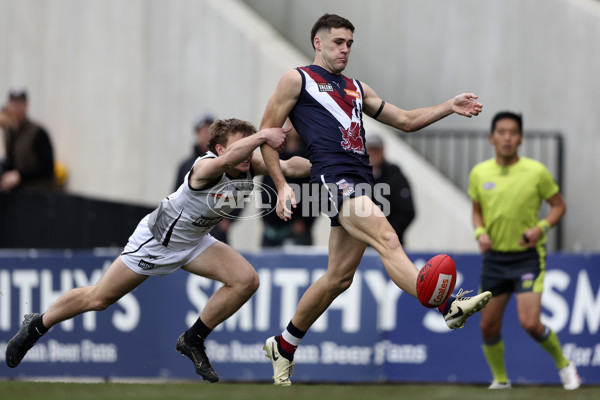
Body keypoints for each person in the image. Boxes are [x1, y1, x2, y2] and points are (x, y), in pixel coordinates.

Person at [259, 13, 492, 386]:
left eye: (350, 43)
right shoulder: (296, 79)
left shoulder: (356, 87)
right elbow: (267, 135)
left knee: (338, 279)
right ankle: (448, 307)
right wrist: (282, 185)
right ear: (318, 42)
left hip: (361, 182)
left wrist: (448, 106)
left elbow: (405, 119)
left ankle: (283, 345)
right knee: (388, 239)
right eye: (338, 42)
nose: (345, 49)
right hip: (332, 181)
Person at [5, 118, 311, 383]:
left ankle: (193, 339)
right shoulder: (206, 167)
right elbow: (225, 161)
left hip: (194, 241)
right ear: (220, 149)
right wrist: (261, 137)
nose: (250, 153)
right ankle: (37, 325)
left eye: (251, 145)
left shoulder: (249, 164)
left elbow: (289, 166)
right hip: (158, 240)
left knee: (247, 280)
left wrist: (330, 166)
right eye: (240, 146)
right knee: (99, 298)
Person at [468, 111, 580, 390]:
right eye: (502, 132)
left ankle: (565, 366)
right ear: (492, 137)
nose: (507, 137)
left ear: (520, 138)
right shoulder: (479, 173)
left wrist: (540, 228)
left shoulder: (536, 171)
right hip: (494, 259)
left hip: (526, 258)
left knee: (530, 323)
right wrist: (480, 233)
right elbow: (476, 211)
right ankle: (501, 380)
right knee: (487, 327)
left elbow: (559, 206)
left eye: (513, 132)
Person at [173, 113, 237, 244]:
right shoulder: (185, 165)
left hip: (216, 230)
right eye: (204, 130)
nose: (207, 134)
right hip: (190, 230)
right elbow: (175, 195)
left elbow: (237, 189)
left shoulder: (225, 163)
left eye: (211, 131)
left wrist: (228, 219)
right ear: (197, 133)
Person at [261, 127, 315, 247]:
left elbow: (316, 191)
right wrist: (264, 217)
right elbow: (264, 187)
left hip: (298, 226)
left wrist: (305, 222)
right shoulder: (274, 152)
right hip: (272, 226)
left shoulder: (311, 151)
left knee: (297, 264)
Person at [1, 89, 55, 192]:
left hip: (38, 193)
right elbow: (12, 161)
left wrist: (20, 176)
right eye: (13, 103)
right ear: (8, 105)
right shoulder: (9, 132)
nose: (16, 107)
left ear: (26, 105)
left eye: (19, 103)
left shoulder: (38, 132)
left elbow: (48, 167)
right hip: (16, 193)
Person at [366, 134, 415, 245]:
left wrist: (386, 233)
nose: (373, 154)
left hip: (390, 242)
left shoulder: (395, 176)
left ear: (383, 151)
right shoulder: (357, 176)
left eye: (376, 150)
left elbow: (406, 212)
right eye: (370, 150)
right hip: (361, 244)